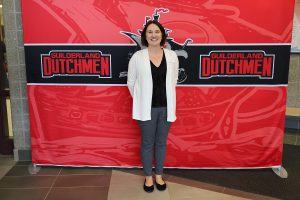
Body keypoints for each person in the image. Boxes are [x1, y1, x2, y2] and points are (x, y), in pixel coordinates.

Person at [127, 20, 179, 193]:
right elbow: (131, 82)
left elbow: (174, 81)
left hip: (166, 108)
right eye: (150, 32)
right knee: (148, 143)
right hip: (146, 109)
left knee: (161, 143)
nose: (153, 35)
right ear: (144, 36)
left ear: (162, 35)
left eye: (157, 31)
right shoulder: (137, 57)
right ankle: (149, 177)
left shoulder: (172, 56)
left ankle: (159, 175)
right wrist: (141, 99)